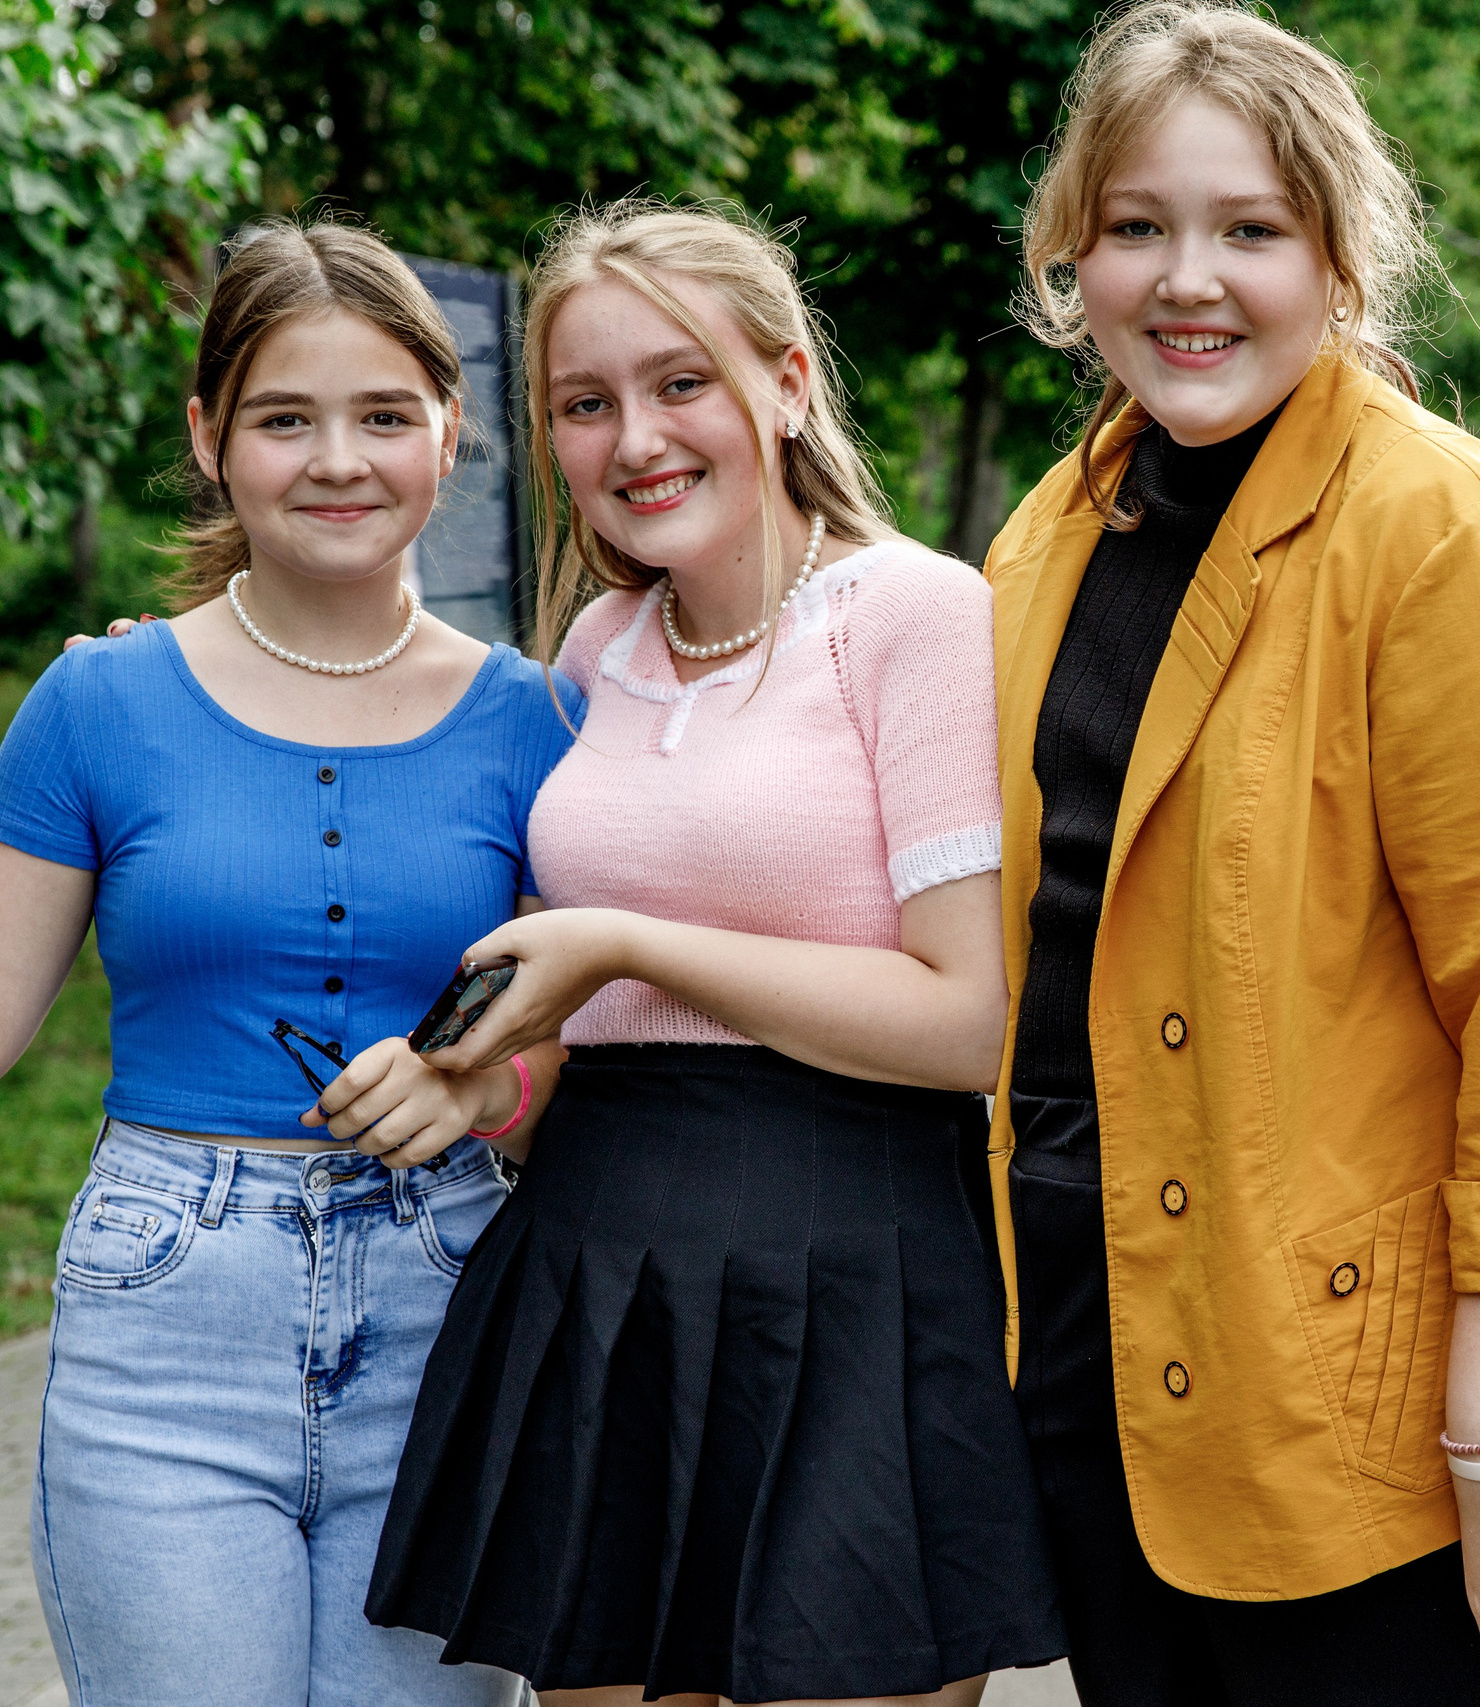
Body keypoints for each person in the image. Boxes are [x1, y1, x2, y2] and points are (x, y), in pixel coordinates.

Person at [985, 6, 1480, 1705]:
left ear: (1341, 259)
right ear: (1074, 258)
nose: (1186, 280)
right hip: (1110, 1386)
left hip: (1388, 1434)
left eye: (1250, 230)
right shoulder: (1049, 529)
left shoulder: (1442, 532)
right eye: (1138, 227)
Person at [0, 221, 568, 1707]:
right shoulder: (101, 701)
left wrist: (490, 1088)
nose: (337, 458)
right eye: (286, 417)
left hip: (449, 1317)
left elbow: (594, 1031)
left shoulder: (542, 717)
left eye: (382, 414)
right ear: (211, 438)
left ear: (451, 427)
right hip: (167, 1320)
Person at [358, 201, 1066, 1706]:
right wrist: (481, 1087)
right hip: (598, 1278)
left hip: (857, 1268)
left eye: (681, 382)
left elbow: (966, 1022)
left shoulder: (913, 617)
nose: (636, 438)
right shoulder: (591, 657)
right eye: (585, 402)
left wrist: (624, 937)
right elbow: (574, 1028)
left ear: (791, 384)